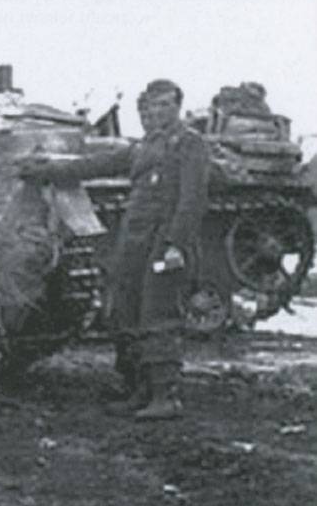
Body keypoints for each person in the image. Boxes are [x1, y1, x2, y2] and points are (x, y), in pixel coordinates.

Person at [21, 79, 210, 420]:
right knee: (126, 310)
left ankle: (165, 395)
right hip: (136, 238)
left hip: (164, 240)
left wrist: (176, 245)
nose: (156, 112)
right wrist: (45, 171)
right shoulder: (143, 147)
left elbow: (192, 199)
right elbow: (95, 165)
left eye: (164, 105)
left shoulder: (189, 144)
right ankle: (139, 389)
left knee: (158, 313)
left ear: (177, 107)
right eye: (151, 106)